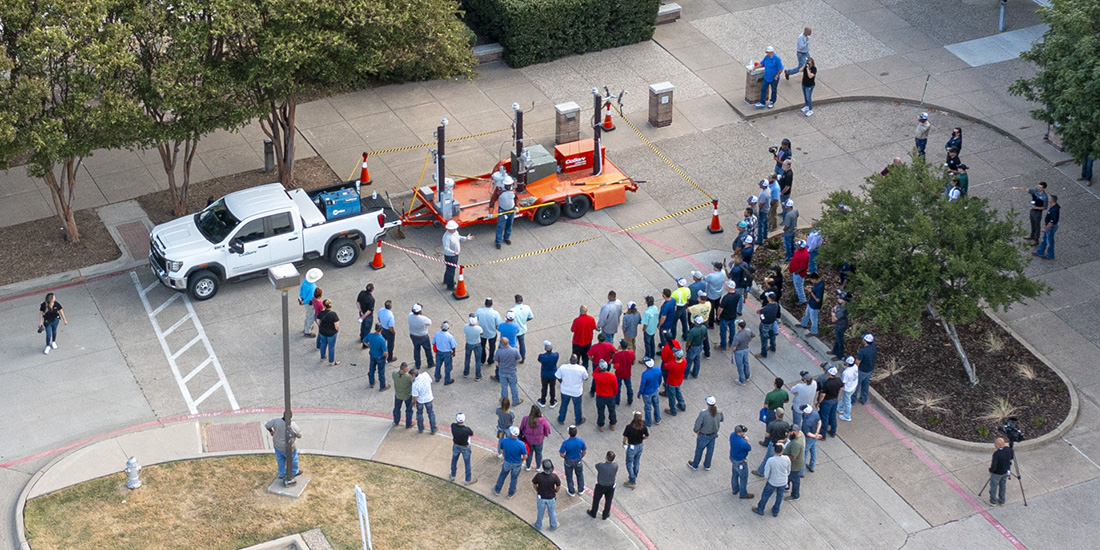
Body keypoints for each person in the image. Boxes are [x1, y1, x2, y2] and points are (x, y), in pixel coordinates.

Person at [753, 442, 790, 517]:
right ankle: (775, 511)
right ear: (782, 451)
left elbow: (766, 472)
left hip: (772, 482)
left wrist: (767, 478)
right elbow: (788, 470)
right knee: (779, 496)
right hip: (783, 481)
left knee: (765, 495)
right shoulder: (787, 459)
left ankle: (760, 509)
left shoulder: (771, 460)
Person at [687, 396, 724, 471]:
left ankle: (695, 465)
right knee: (710, 451)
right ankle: (707, 465)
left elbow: (697, 425)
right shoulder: (719, 411)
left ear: (707, 403)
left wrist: (697, 431)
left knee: (699, 450)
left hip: (704, 435)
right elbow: (722, 419)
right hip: (713, 434)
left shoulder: (703, 414)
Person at [264, 415, 303, 486]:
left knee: (280, 459)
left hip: (278, 445)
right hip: (289, 448)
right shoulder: (292, 425)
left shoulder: (276, 421)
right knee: (293, 459)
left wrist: (271, 431)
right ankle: (294, 472)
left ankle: (282, 473)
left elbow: (267, 425)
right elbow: (299, 435)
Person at [494, 426, 528, 498]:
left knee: (502, 475)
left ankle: (497, 490)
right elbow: (525, 456)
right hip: (517, 463)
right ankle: (510, 493)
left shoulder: (504, 440)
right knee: (514, 478)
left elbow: (502, 450)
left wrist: (505, 457)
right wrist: (522, 461)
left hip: (507, 461)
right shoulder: (521, 444)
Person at [556, 355, 588, 425]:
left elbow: (558, 376)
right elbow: (586, 377)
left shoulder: (563, 367)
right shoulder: (581, 369)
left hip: (565, 390)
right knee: (577, 406)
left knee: (564, 405)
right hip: (576, 391)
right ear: (577, 361)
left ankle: (561, 419)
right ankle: (578, 420)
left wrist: (562, 382)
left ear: (569, 360)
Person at [442, 220, 472, 290]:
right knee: (451, 270)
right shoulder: (446, 237)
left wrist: (466, 238)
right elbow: (446, 248)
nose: (455, 230)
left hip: (454, 255)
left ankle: (446, 280)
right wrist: (453, 252)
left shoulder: (455, 232)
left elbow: (459, 237)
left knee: (449, 269)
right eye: (454, 229)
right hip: (450, 256)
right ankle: (450, 285)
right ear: (449, 229)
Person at [587, 451, 618, 520]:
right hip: (610, 486)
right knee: (608, 500)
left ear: (606, 457)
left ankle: (593, 512)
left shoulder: (601, 466)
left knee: (596, 499)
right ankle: (605, 514)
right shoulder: (615, 466)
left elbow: (596, 465)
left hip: (601, 486)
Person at [520, 405, 552, 471]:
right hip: (539, 440)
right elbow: (547, 428)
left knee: (529, 453)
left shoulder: (526, 419)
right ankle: (538, 467)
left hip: (528, 440)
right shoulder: (542, 420)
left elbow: (521, 428)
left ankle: (528, 466)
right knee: (539, 453)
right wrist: (545, 434)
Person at [622, 411, 649, 488]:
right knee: (637, 461)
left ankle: (632, 480)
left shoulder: (629, 427)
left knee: (629, 463)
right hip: (640, 446)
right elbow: (647, 436)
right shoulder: (643, 426)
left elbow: (625, 437)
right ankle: (635, 473)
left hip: (632, 446)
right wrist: (642, 438)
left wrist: (624, 443)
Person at [532, 459, 561, 531]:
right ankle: (553, 525)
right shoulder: (554, 477)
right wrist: (555, 492)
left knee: (540, 511)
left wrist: (537, 490)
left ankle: (538, 524)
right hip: (551, 497)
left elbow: (534, 484)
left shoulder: (538, 476)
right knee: (551, 512)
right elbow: (558, 486)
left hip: (541, 497)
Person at [559, 425, 587, 496]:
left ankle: (571, 491)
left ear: (569, 433)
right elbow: (584, 451)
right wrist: (581, 456)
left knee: (569, 476)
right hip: (578, 460)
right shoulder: (581, 441)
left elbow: (561, 454)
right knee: (580, 475)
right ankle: (581, 489)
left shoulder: (566, 443)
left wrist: (566, 457)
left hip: (568, 461)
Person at [760, 378, 789, 446]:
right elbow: (786, 401)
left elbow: (765, 405)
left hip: (771, 411)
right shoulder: (784, 393)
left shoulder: (770, 395)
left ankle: (766, 442)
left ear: (775, 385)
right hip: (780, 409)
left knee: (769, 426)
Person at [476, 298, 502, 372]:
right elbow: (498, 324)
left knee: (482, 347)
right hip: (492, 333)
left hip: (482, 333)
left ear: (485, 303)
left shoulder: (479, 311)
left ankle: (482, 359)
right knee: (492, 347)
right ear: (491, 304)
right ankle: (490, 360)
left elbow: (475, 319)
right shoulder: (495, 313)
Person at [450, 413, 476, 485]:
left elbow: (454, 425)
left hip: (456, 445)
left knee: (454, 460)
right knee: (467, 463)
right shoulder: (467, 430)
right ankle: (468, 480)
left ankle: (453, 475)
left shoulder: (453, 426)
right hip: (465, 447)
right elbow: (471, 434)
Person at [729, 424, 754, 499]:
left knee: (735, 474)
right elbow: (749, 448)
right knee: (743, 477)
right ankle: (743, 493)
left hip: (733, 458)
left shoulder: (732, 435)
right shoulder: (743, 443)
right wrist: (746, 440)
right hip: (740, 461)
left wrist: (742, 437)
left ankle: (735, 489)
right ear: (739, 433)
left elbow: (739, 437)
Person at [495, 337, 522, 405]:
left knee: (504, 386)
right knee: (513, 386)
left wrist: (501, 366)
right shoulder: (514, 351)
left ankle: (504, 401)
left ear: (501, 343)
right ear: (508, 342)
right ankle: (515, 401)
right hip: (512, 372)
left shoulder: (499, 351)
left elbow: (496, 362)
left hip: (502, 372)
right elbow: (520, 359)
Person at [593, 360, 619, 431]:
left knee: (601, 411)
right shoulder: (612, 376)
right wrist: (614, 393)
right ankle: (612, 423)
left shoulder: (597, 376)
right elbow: (615, 387)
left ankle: (601, 425)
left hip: (600, 396)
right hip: (610, 396)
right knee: (612, 410)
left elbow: (594, 373)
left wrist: (598, 367)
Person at [817, 367, 842, 437]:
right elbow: (840, 388)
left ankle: (823, 434)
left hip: (826, 401)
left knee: (824, 417)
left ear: (829, 373)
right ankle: (833, 431)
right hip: (834, 400)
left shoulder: (827, 383)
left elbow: (822, 394)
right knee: (833, 415)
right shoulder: (839, 380)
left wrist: (819, 402)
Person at [509, 295, 534, 363]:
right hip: (522, 329)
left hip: (514, 330)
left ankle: (513, 358)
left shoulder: (512, 310)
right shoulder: (527, 308)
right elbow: (531, 317)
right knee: (522, 344)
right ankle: (522, 358)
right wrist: (524, 321)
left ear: (515, 301)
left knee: (513, 345)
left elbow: (508, 320)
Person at [407, 303, 433, 371]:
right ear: (420, 311)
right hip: (423, 336)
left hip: (413, 336)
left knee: (416, 349)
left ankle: (417, 364)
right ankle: (430, 363)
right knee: (427, 350)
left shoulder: (409, 316)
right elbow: (429, 322)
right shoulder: (423, 319)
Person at [989, 437, 1014, 506]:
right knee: (1003, 485)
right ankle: (1002, 500)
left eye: (995, 443)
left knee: (994, 486)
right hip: (1005, 471)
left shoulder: (996, 454)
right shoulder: (1008, 450)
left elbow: (994, 465)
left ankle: (993, 501)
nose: (994, 444)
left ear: (998, 445)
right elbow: (1011, 457)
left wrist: (991, 470)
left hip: (997, 473)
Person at [411, 368, 437, 434]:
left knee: (419, 413)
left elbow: (415, 396)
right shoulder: (425, 374)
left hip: (420, 400)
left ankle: (420, 428)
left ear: (413, 376)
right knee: (431, 413)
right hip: (429, 398)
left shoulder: (414, 384)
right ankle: (433, 428)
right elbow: (430, 381)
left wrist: (414, 403)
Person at [716, 280, 741, 350]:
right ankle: (731, 342)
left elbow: (721, 308)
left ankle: (723, 345)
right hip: (733, 315)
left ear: (729, 287)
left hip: (725, 316)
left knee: (723, 331)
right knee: (732, 330)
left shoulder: (726, 298)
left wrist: (718, 315)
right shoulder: (737, 295)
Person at [663, 348, 687, 416]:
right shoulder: (684, 361)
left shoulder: (672, 364)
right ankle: (682, 405)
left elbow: (665, 366)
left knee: (672, 396)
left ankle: (673, 410)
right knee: (678, 393)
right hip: (679, 380)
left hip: (672, 382)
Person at [316, 299, 340, 366]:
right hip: (331, 333)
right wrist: (336, 330)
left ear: (324, 305)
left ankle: (322, 357)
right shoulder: (333, 314)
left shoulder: (321, 313)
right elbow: (337, 326)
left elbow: (318, 321)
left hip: (322, 332)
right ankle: (331, 361)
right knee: (331, 347)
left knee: (323, 344)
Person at [1035, 194, 1059, 260]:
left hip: (1050, 227)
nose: (1048, 199)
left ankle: (1050, 255)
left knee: (1050, 241)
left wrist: (1046, 228)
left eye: (1049, 198)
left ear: (1052, 200)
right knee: (1045, 239)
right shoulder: (1054, 207)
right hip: (1049, 226)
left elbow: (1052, 222)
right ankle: (1040, 252)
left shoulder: (1054, 210)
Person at [784, 427, 806, 500]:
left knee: (795, 479)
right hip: (795, 464)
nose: (789, 434)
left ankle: (795, 495)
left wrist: (782, 457)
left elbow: (793, 457)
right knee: (789, 476)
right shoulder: (801, 434)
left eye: (790, 432)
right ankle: (786, 486)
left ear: (795, 431)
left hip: (794, 465)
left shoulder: (796, 443)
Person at [299, 268, 322, 336]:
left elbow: (301, 289)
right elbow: (310, 297)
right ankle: (307, 331)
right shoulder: (313, 287)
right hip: (309, 303)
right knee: (310, 316)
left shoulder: (305, 281)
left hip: (303, 299)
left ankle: (306, 327)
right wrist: (304, 301)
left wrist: (302, 298)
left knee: (308, 315)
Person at [612, 340, 636, 406]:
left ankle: (617, 401)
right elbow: (633, 359)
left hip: (619, 373)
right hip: (627, 373)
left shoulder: (618, 355)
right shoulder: (631, 353)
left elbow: (613, 361)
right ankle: (630, 400)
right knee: (629, 387)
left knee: (618, 387)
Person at [687, 294, 712, 359]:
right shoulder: (708, 304)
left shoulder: (695, 307)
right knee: (705, 337)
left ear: (700, 299)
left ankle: (690, 351)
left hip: (695, 323)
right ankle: (707, 353)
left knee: (693, 337)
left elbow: (689, 309)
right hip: (705, 321)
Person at [799, 404, 823, 472]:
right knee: (813, 451)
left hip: (808, 438)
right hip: (814, 435)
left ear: (806, 412)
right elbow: (819, 422)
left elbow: (807, 433)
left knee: (805, 453)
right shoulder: (815, 414)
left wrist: (814, 435)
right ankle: (812, 466)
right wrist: (816, 433)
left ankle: (801, 471)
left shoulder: (806, 423)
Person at [731, 319, 754, 385]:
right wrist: (747, 341)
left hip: (739, 351)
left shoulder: (737, 336)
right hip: (746, 349)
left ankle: (741, 380)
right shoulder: (748, 331)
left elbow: (734, 347)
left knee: (740, 366)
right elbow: (753, 337)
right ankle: (747, 376)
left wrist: (732, 351)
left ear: (739, 327)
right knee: (746, 363)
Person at [497, 313, 520, 380]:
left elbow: (498, 329)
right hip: (512, 346)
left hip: (502, 346)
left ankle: (498, 376)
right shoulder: (516, 326)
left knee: (500, 361)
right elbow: (517, 331)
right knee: (512, 363)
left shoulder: (502, 325)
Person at [365, 324, 388, 390]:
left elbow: (364, 341)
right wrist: (386, 357)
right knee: (381, 372)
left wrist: (369, 346)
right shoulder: (382, 340)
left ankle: (371, 382)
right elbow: (385, 352)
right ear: (381, 330)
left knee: (371, 370)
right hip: (380, 357)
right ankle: (382, 386)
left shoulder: (370, 335)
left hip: (372, 355)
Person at [856, 333, 877, 404]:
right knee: (865, 385)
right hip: (870, 369)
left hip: (862, 370)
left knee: (856, 385)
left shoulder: (862, 351)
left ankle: (852, 399)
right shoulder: (874, 348)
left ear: (865, 341)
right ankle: (863, 399)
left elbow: (858, 362)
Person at [704, 263, 726, 328]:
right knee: (717, 306)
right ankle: (718, 319)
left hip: (711, 294)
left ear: (716, 268)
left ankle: (711, 324)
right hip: (719, 293)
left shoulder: (711, 276)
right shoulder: (723, 273)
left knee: (711, 309)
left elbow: (705, 279)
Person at [537, 341, 559, 408]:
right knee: (552, 388)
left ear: (545, 349)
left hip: (544, 375)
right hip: (553, 375)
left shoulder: (542, 356)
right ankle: (552, 402)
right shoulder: (556, 355)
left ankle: (543, 401)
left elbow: (539, 360)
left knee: (544, 388)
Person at [495, 181, 516, 249]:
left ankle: (507, 238)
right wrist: (490, 212)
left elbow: (515, 198)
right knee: (500, 226)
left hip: (511, 210)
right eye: (507, 185)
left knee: (509, 224)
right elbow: (493, 200)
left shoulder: (512, 189)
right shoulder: (500, 191)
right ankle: (498, 242)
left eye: (509, 185)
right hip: (503, 211)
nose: (508, 186)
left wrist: (515, 206)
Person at [392, 362, 414, 428]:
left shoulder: (394, 374)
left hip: (398, 394)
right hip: (407, 395)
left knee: (397, 408)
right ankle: (408, 423)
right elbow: (413, 381)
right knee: (409, 410)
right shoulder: (408, 377)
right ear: (405, 370)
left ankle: (396, 421)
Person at [757, 293, 780, 358]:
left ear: (769, 298)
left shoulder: (766, 308)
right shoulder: (776, 304)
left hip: (765, 324)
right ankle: (773, 347)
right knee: (772, 335)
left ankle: (763, 353)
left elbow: (759, 312)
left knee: (764, 339)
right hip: (772, 323)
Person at [463, 315, 483, 379]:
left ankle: (466, 372)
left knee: (467, 359)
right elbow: (482, 333)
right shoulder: (478, 328)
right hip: (477, 344)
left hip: (468, 344)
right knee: (478, 360)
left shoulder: (466, 327)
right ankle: (478, 375)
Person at [640, 296, 660, 361]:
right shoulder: (655, 308)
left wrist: (643, 329)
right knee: (652, 342)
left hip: (648, 330)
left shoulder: (647, 312)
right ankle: (652, 355)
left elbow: (645, 324)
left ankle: (648, 357)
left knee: (647, 344)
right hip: (653, 328)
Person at [789, 239, 809, 303]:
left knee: (799, 286)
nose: (796, 246)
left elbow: (803, 267)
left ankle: (802, 299)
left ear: (802, 247)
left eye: (798, 245)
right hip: (795, 271)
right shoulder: (799, 250)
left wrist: (796, 272)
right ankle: (798, 295)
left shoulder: (805, 255)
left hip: (799, 274)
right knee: (797, 285)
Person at [839, 356, 859, 422]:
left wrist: (841, 388)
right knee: (844, 398)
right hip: (853, 386)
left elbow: (843, 382)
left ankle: (847, 416)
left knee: (847, 402)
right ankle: (840, 408)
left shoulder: (846, 372)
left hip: (848, 388)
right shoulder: (855, 367)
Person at [831, 292, 849, 360]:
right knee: (837, 338)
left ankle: (839, 355)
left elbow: (833, 319)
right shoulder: (840, 306)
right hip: (838, 324)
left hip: (840, 326)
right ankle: (834, 350)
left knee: (840, 340)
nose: (838, 299)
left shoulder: (842, 310)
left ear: (843, 301)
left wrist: (832, 314)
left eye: (840, 298)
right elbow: (833, 308)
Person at [356, 283, 375, 348]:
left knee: (363, 326)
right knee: (367, 329)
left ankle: (362, 337)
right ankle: (365, 343)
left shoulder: (362, 293)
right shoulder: (371, 299)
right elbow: (369, 310)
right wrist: (364, 316)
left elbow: (358, 302)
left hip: (361, 312)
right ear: (372, 289)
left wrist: (361, 311)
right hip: (367, 316)